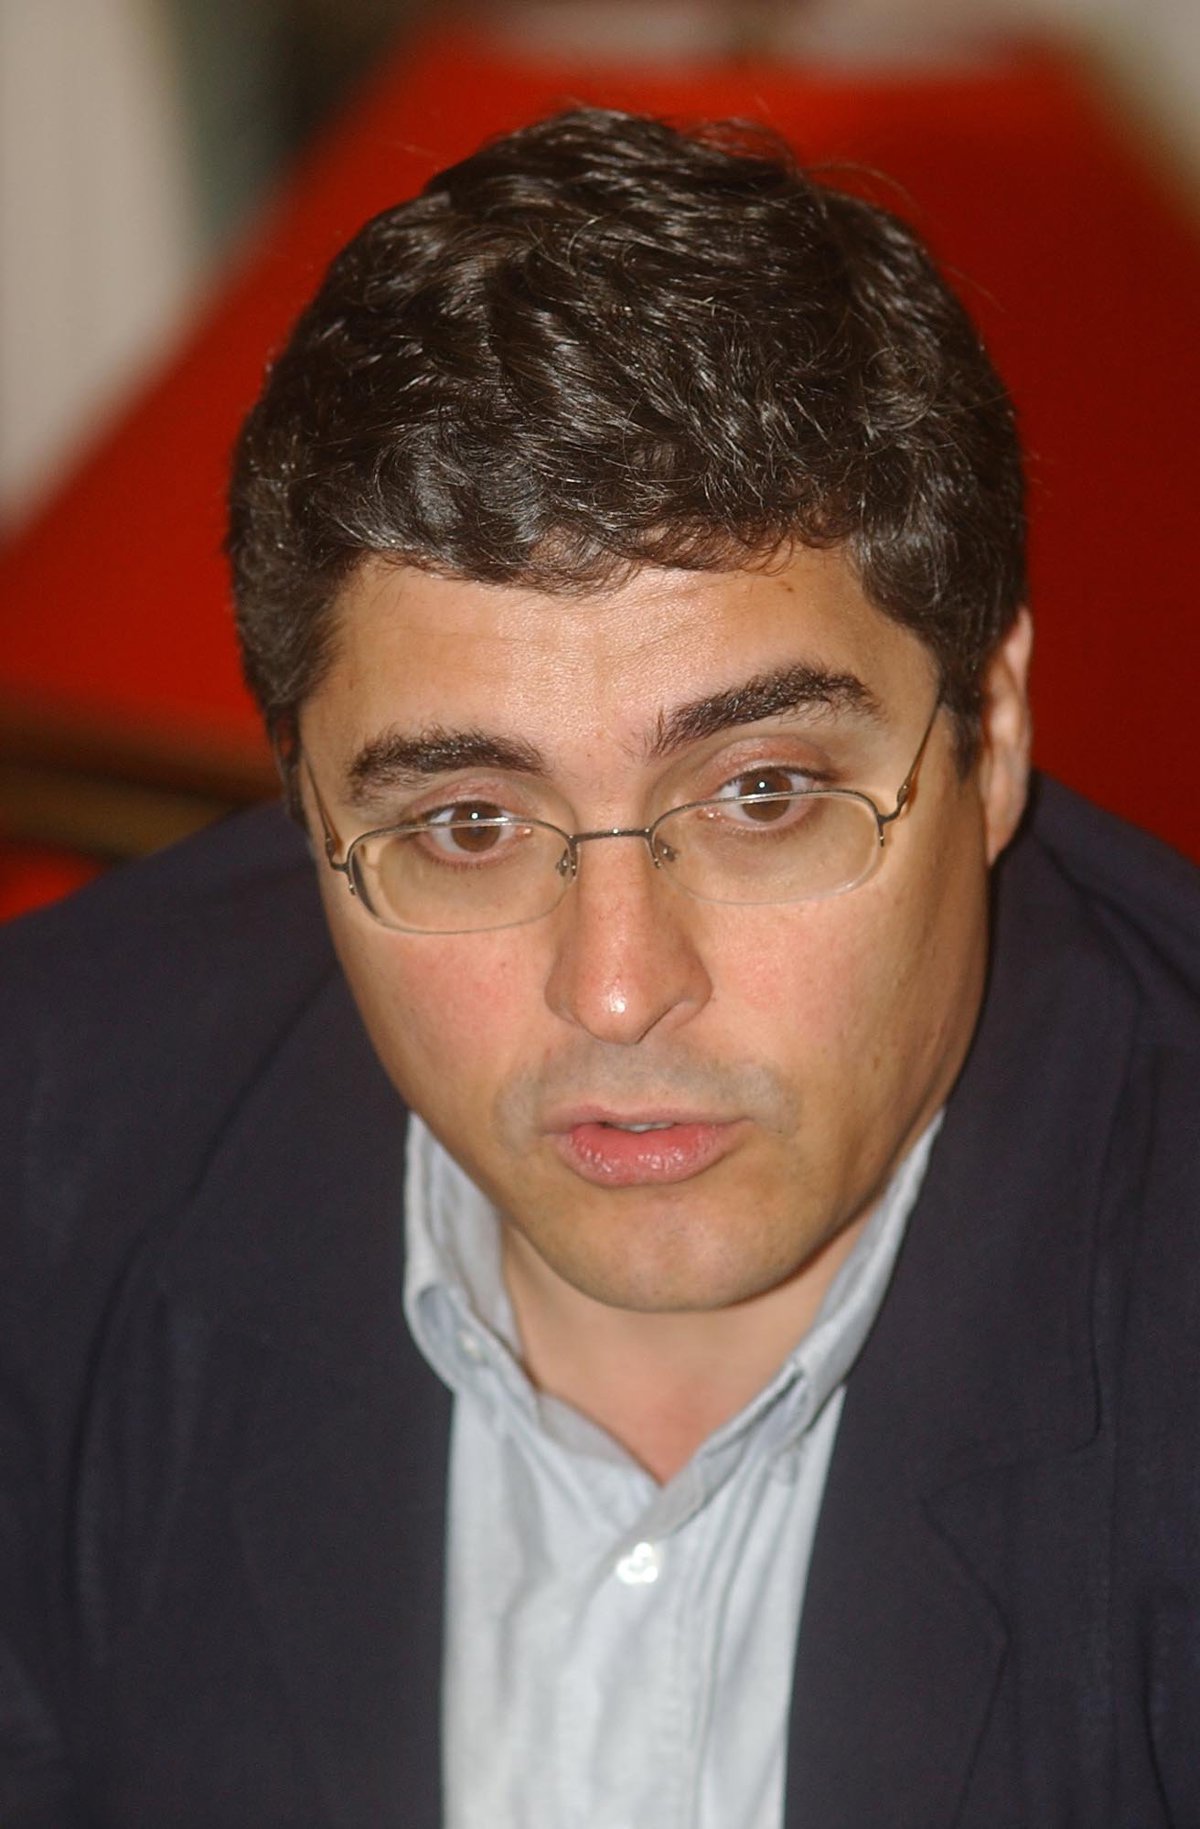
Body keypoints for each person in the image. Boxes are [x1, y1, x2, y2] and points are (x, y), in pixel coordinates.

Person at [1, 107, 1196, 1829]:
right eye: (469, 824)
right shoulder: (50, 1175)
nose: (621, 988)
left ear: (991, 735)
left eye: (763, 796)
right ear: (308, 808)